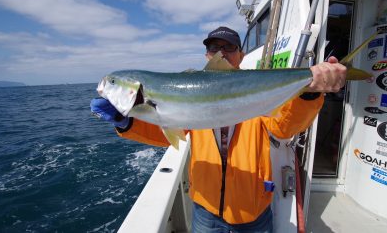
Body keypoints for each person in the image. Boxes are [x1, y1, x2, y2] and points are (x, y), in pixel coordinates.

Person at [90, 26, 347, 232]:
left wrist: (310, 95)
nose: (221, 53)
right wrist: (127, 122)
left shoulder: (257, 91)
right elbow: (165, 131)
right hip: (206, 211)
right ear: (206, 55)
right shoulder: (189, 89)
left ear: (241, 55)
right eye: (214, 48)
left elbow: (284, 127)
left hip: (253, 212)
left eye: (229, 47)